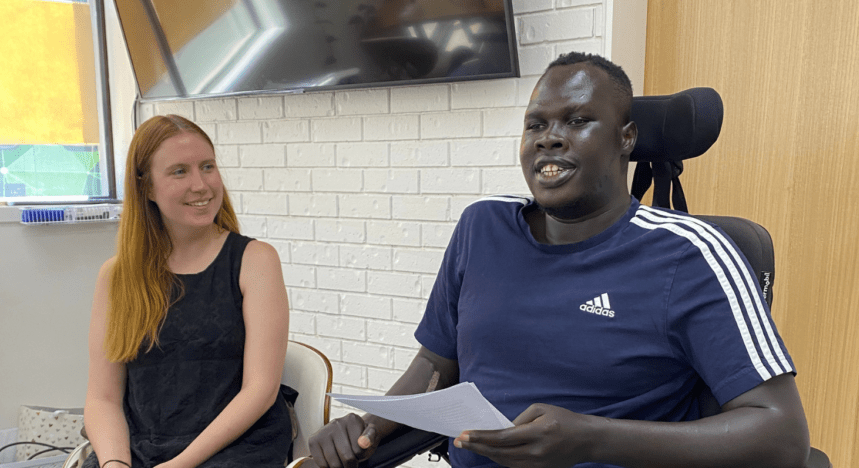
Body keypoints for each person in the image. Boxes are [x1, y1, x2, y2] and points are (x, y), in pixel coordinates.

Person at [306, 52, 811, 468]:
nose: (549, 136)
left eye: (577, 120)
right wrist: (371, 429)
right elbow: (435, 366)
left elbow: (782, 435)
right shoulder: (481, 229)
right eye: (536, 124)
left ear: (626, 138)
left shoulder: (692, 253)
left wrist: (592, 439)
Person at [83, 115, 292, 468]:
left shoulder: (255, 260)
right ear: (146, 187)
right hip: (140, 448)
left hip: (235, 450)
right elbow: (103, 398)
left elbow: (260, 390)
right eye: (180, 172)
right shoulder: (116, 276)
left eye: (207, 167)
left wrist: (179, 464)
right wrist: (114, 464)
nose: (201, 185)